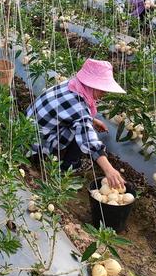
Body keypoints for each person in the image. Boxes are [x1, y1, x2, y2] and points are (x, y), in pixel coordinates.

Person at [27, 59, 126, 189]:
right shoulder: (79, 105)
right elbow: (88, 139)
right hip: (36, 141)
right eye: (103, 89)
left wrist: (92, 120)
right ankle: (69, 167)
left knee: (81, 126)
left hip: (27, 129)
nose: (105, 93)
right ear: (92, 85)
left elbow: (69, 112)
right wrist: (109, 170)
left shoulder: (72, 85)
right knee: (81, 133)